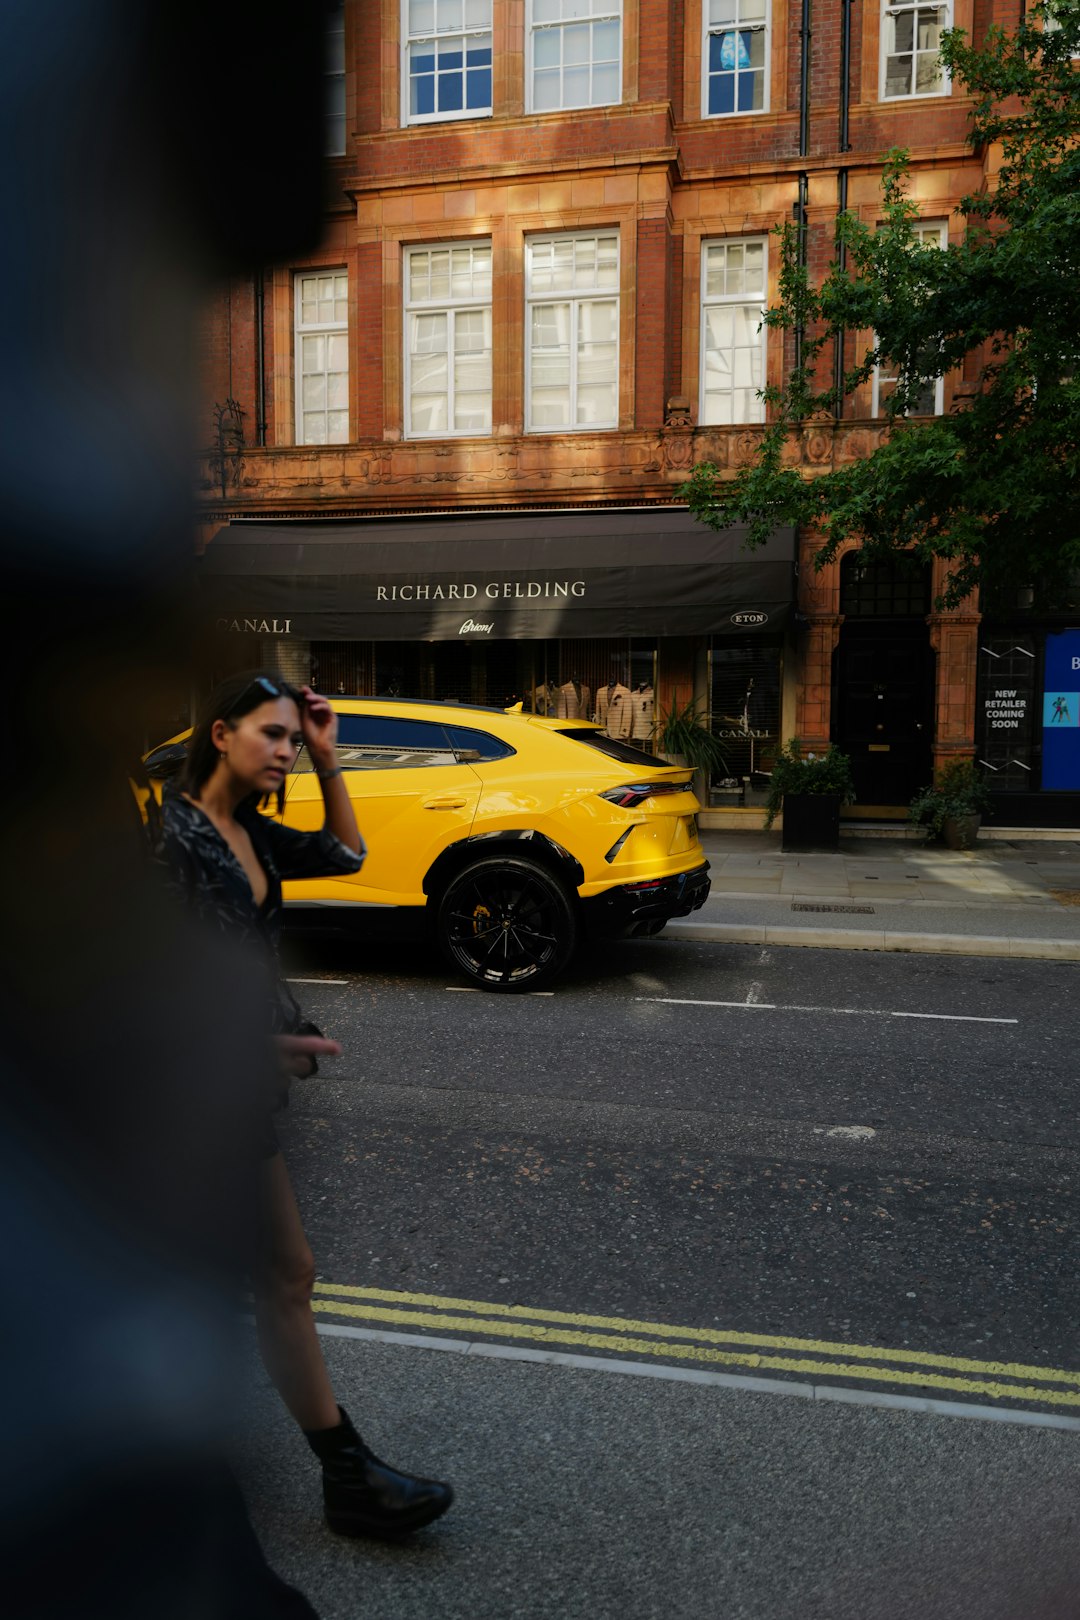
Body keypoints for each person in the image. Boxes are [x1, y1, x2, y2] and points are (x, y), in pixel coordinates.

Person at [156, 669, 454, 1539]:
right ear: (219, 733)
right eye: (273, 736)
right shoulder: (166, 837)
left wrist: (331, 763)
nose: (285, 750)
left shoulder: (249, 829)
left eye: (295, 738)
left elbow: (351, 856)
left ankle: (346, 1478)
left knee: (283, 1274)